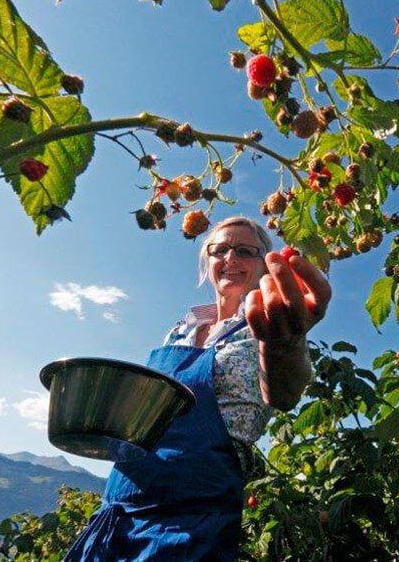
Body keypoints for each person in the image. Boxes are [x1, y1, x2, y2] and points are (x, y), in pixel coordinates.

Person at [64, 216, 331, 561]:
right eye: (220, 250)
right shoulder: (178, 331)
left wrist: (285, 344)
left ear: (265, 266)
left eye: (245, 251)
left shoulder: (269, 324)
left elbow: (283, 391)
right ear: (207, 261)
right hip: (118, 512)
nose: (230, 258)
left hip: (189, 526)